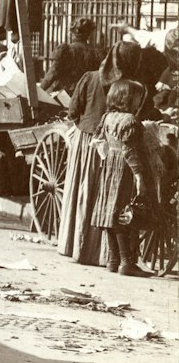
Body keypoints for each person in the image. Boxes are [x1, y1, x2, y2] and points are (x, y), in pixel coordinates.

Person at [57, 50, 119, 265]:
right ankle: (101, 254)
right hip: (112, 144)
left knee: (82, 189)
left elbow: (73, 109)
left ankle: (75, 246)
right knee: (103, 193)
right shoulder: (125, 85)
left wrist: (83, 124)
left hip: (86, 139)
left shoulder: (89, 77)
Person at [91, 79, 155, 275]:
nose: (139, 102)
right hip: (125, 170)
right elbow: (130, 151)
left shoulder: (107, 117)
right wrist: (139, 177)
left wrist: (109, 155)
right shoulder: (130, 121)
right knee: (124, 214)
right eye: (136, 98)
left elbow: (97, 139)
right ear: (126, 98)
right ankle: (127, 262)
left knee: (111, 210)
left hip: (110, 165)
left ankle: (113, 259)